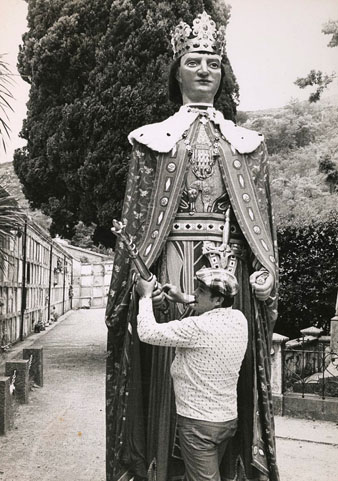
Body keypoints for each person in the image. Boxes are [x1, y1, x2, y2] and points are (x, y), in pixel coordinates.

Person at [105, 10, 279, 481]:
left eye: (214, 62)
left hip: (229, 272)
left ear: (223, 75)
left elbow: (260, 223)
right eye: (194, 60)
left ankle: (230, 466)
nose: (205, 69)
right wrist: (140, 282)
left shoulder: (248, 144)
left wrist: (265, 270)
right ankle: (164, 464)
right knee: (166, 365)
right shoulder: (150, 142)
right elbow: (142, 220)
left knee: (227, 369)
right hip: (171, 266)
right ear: (176, 71)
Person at [135, 268, 248, 481]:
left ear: (216, 299)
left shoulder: (196, 327)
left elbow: (147, 333)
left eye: (201, 290)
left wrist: (146, 296)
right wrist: (183, 298)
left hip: (198, 425)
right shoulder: (239, 319)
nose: (195, 292)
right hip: (226, 421)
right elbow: (212, 305)